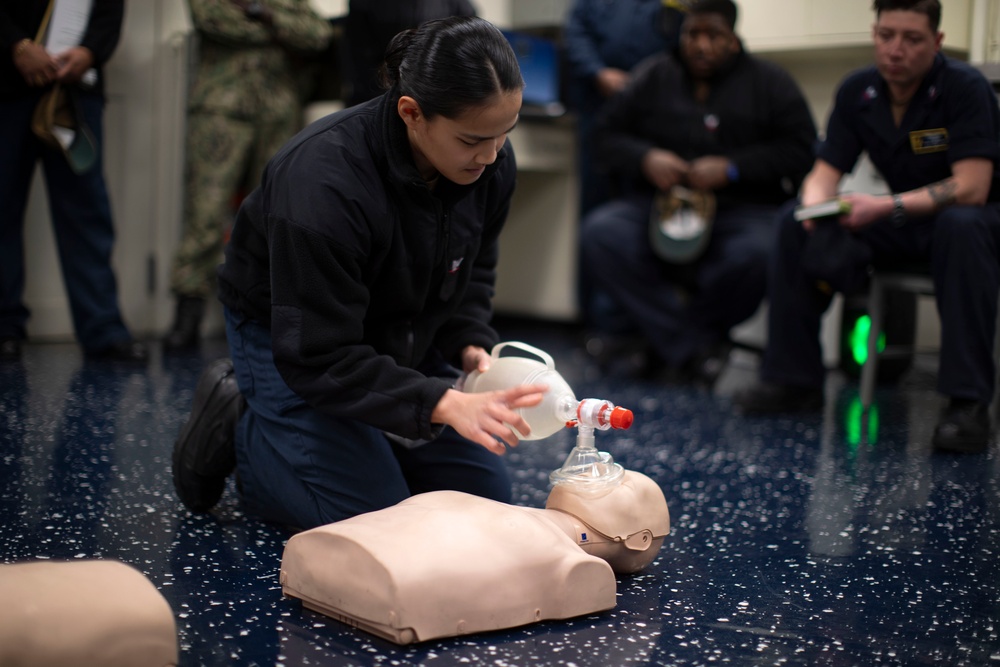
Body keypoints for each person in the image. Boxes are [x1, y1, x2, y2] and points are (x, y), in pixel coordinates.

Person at [172, 16, 547, 529]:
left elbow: (474, 263)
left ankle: (367, 444)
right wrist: (437, 400)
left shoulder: (489, 163)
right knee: (372, 523)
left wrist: (466, 337)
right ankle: (247, 426)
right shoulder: (322, 180)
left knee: (484, 500)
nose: (492, 155)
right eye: (472, 140)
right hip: (293, 338)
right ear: (412, 113)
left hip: (394, 334)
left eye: (506, 132)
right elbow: (317, 354)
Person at [733, 0, 1000, 455]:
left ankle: (967, 405)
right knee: (792, 222)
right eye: (886, 35)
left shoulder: (963, 87)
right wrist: (815, 211)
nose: (895, 49)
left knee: (961, 224)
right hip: (898, 220)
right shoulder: (859, 90)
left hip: (967, 222)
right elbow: (823, 174)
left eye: (912, 39)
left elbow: (973, 186)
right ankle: (794, 381)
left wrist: (881, 206)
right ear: (875, 33)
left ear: (935, 42)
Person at [579, 0, 817, 385]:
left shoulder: (770, 82)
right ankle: (694, 348)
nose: (701, 45)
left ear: (734, 40)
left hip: (741, 208)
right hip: (659, 205)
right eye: (693, 34)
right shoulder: (653, 75)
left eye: (713, 35)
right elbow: (605, 136)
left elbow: (800, 149)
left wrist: (733, 167)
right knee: (601, 233)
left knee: (760, 251)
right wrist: (646, 158)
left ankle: (669, 342)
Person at [163, 0, 333, 351]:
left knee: (276, 215)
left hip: (277, 111)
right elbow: (212, 19)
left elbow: (318, 35)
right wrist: (280, 29)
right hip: (221, 108)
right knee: (205, 211)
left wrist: (261, 13)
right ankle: (188, 310)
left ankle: (269, 310)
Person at [0, 0, 148, 363]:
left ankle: (103, 330)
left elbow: (110, 9)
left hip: (75, 93)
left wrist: (90, 51)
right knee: (1, 209)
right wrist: (16, 46)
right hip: (6, 86)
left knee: (87, 211)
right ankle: (4, 329)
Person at [563, 0, 687, 330]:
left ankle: (636, 325)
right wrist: (598, 73)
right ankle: (593, 321)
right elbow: (575, 34)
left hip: (653, 125)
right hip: (599, 115)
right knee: (595, 220)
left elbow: (683, 45)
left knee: (645, 222)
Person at [342, 0, 476, 108]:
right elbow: (358, 58)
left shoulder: (456, 4)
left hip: (439, 95)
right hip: (380, 95)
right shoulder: (364, 5)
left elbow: (466, 45)